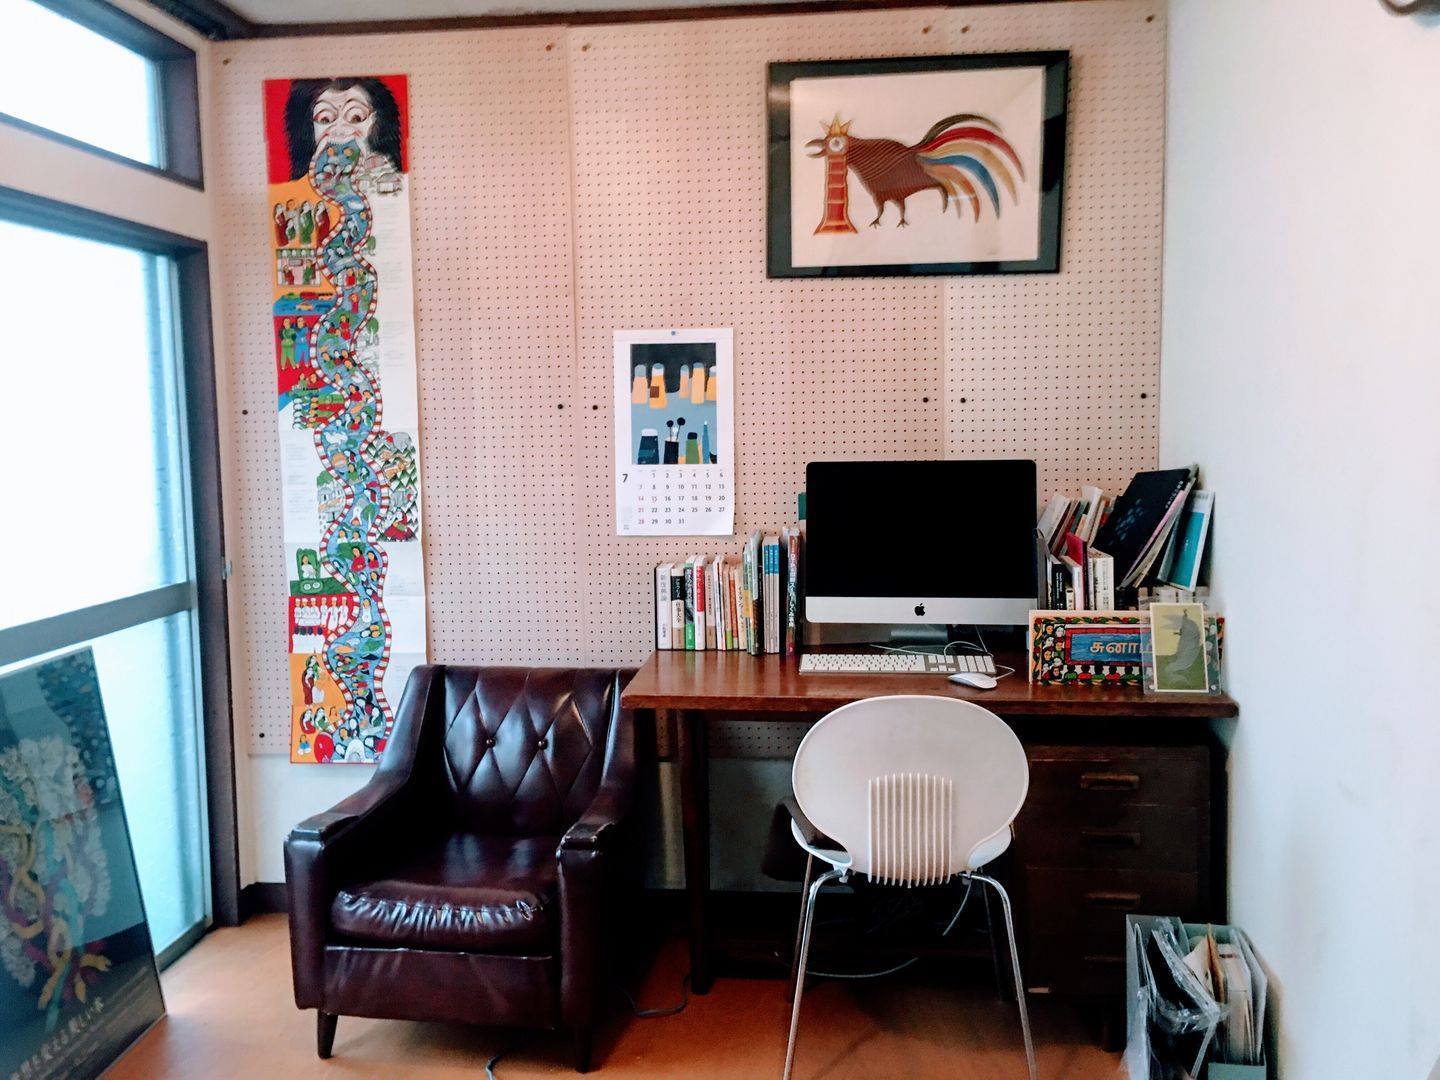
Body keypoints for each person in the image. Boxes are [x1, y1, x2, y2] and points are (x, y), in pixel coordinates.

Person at [282, 77, 405, 181]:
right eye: (325, 119)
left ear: (374, 121)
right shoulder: (298, 187)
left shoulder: (388, 175)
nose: (340, 130)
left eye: (356, 118)